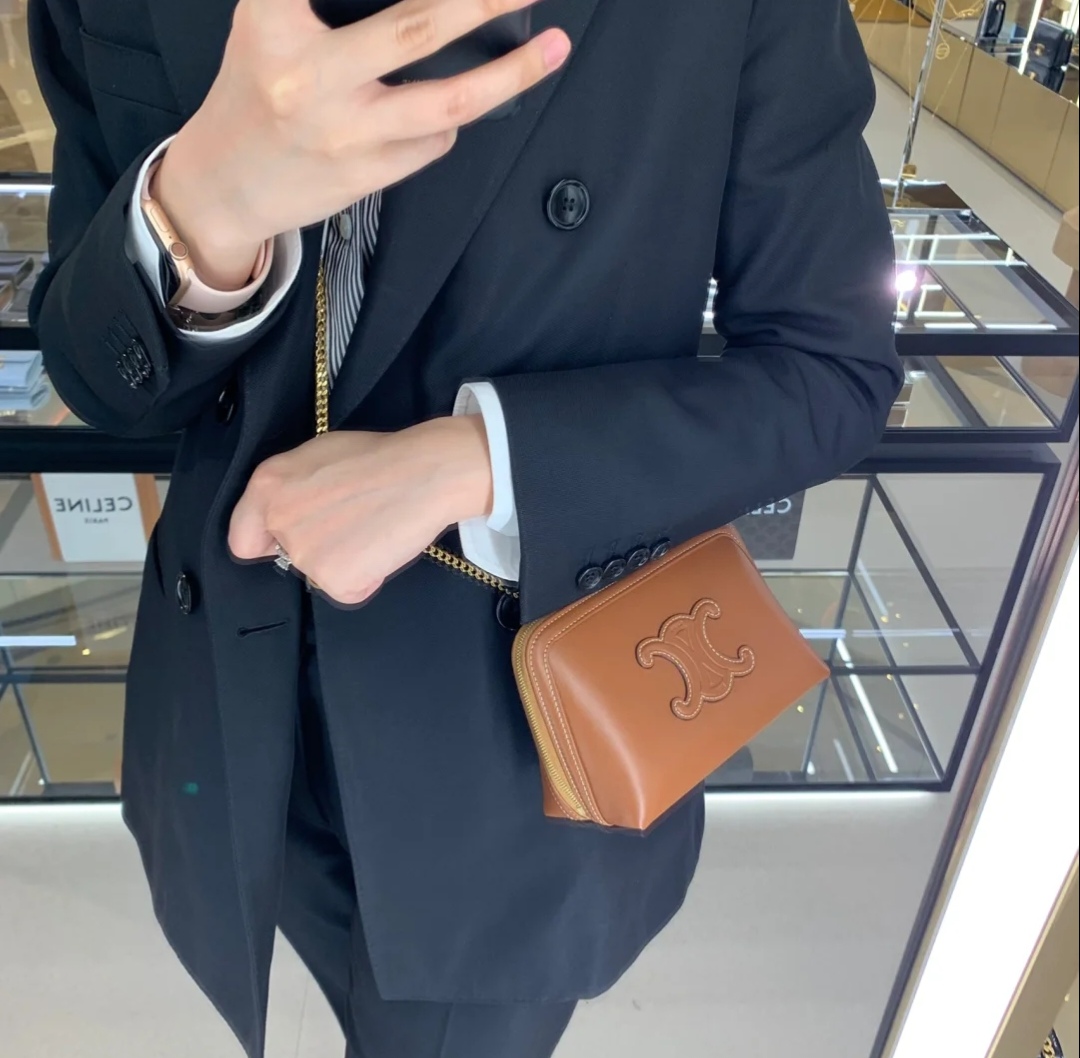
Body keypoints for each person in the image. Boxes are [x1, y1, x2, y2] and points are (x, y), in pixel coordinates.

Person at [28, 0, 902, 1055]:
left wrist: (477, 461)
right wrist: (201, 210)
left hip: (513, 744)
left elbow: (830, 369)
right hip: (226, 692)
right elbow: (100, 379)